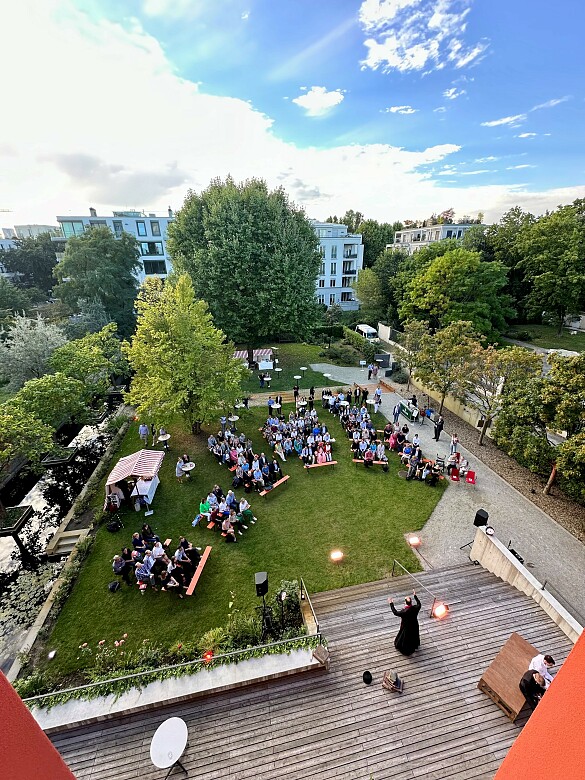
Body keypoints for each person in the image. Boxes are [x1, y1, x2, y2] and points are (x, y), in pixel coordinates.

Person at [388, 590, 421, 655]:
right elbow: (419, 604)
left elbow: (395, 612)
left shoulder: (404, 612)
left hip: (406, 627)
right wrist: (415, 596)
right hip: (414, 625)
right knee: (413, 636)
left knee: (405, 638)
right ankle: (414, 645)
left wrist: (391, 603)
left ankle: (406, 649)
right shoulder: (415, 608)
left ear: (405, 603)